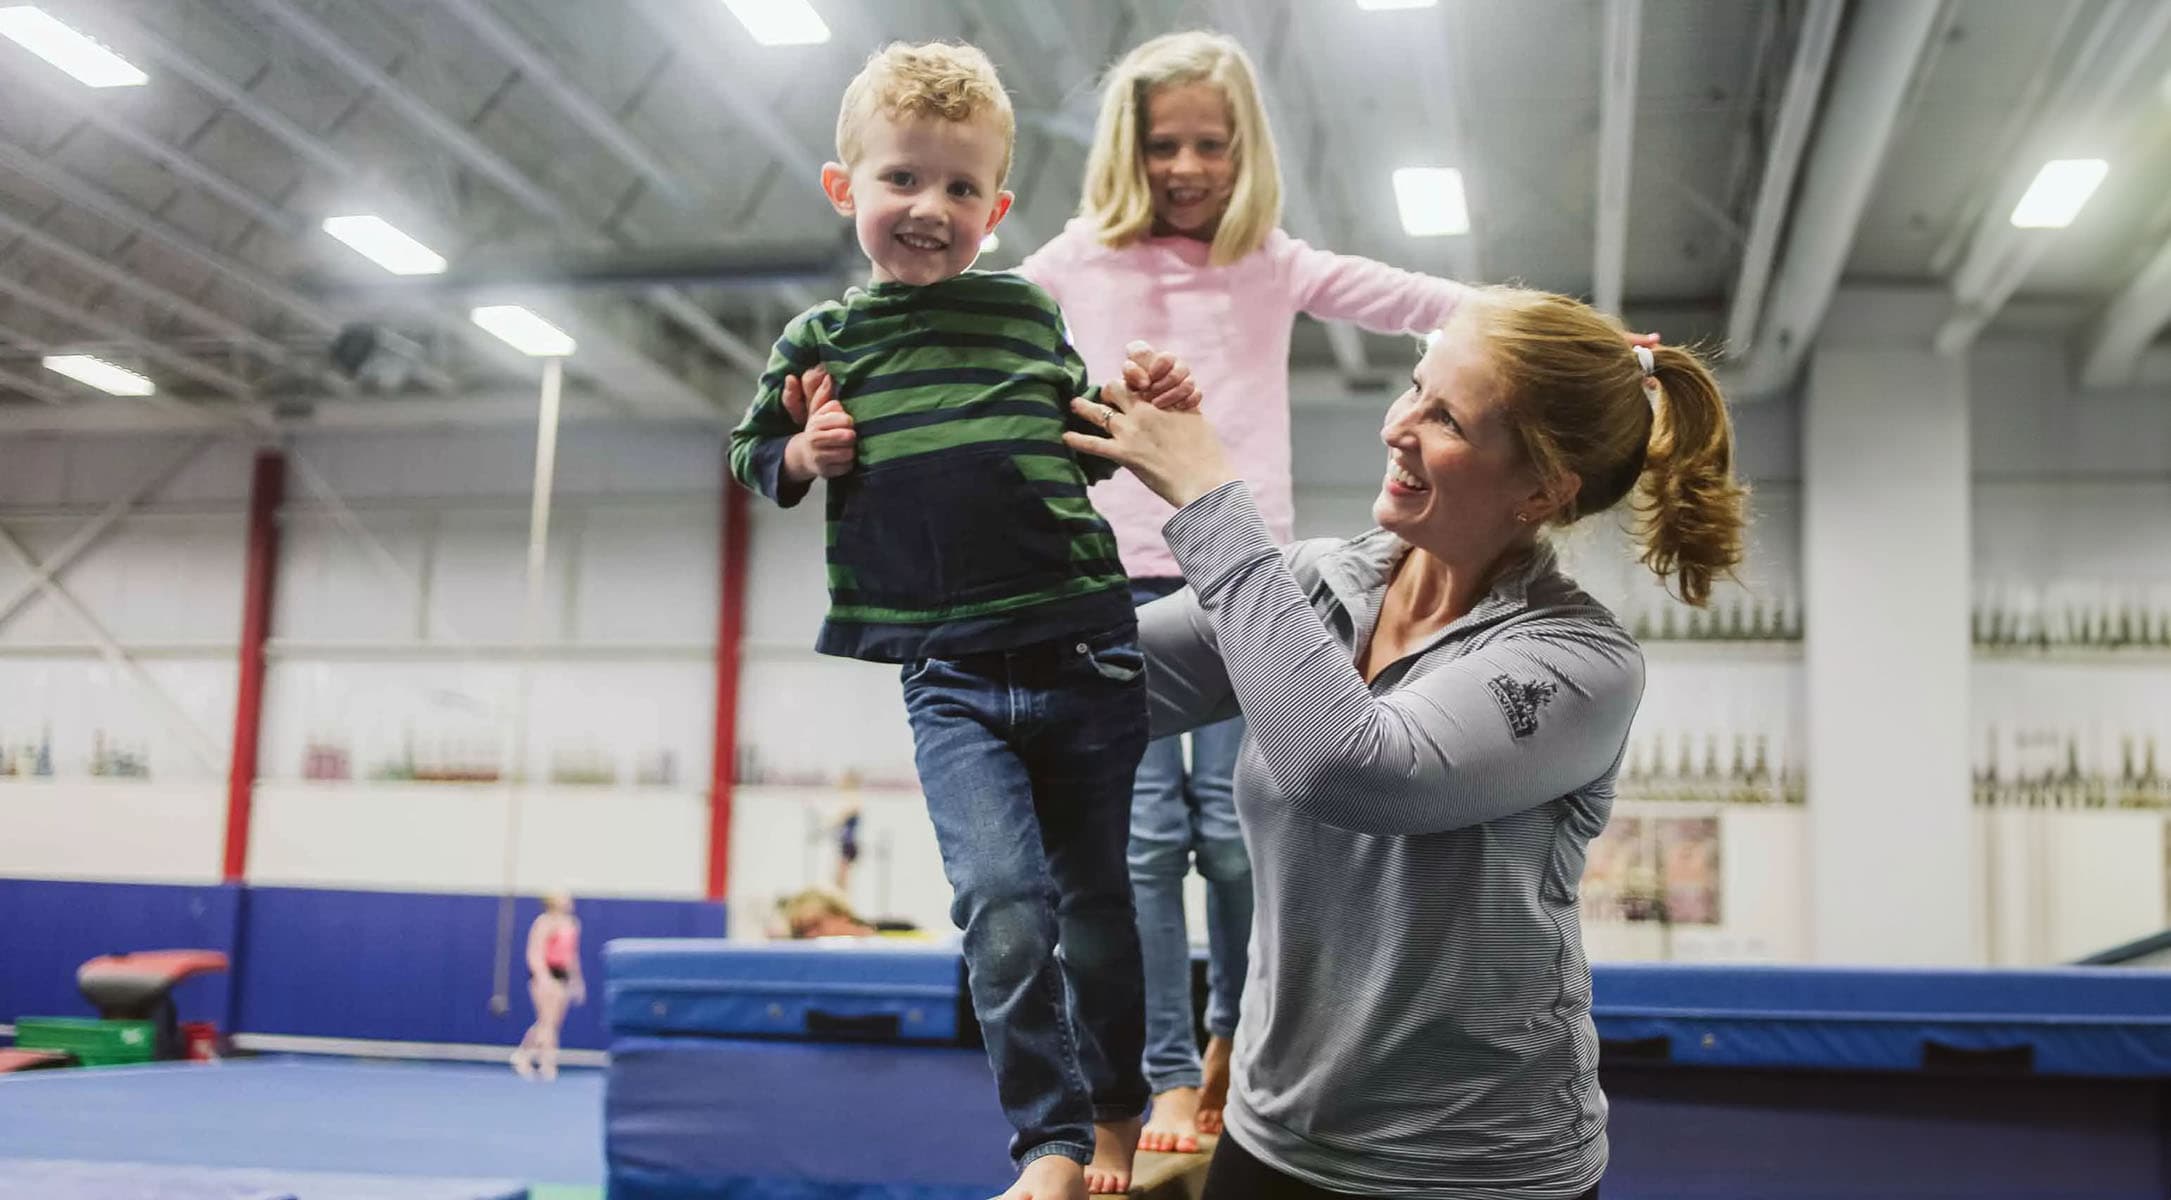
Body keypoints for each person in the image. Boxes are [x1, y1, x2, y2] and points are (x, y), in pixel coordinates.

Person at [1060, 286, 1747, 1198]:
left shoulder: (1579, 662)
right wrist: (1010, 475)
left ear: (1541, 489)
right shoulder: (1310, 587)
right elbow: (1077, 689)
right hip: (1273, 1139)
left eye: (1446, 417)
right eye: (1412, 388)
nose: (1399, 427)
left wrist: (1208, 501)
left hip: (1473, 1168)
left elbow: (1347, 768)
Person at [728, 41, 1202, 1200]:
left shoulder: (1023, 313)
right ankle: (1040, 1139)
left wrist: (1137, 414)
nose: (928, 210)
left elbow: (1074, 441)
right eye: (901, 181)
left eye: (957, 190)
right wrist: (800, 449)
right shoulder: (821, 346)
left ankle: (1110, 1120)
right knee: (999, 903)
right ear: (847, 190)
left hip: (1084, 644)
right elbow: (748, 457)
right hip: (946, 672)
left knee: (1098, 901)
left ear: (994, 207)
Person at [1015, 30, 1470, 1152]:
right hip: (1105, 578)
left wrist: (1570, 332)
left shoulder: (1267, 259)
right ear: (1128, 148)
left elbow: (1409, 297)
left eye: (1207, 145)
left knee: (1235, 830)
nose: (1184, 167)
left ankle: (1233, 1043)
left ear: (1241, 149)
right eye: (1161, 145)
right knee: (1141, 840)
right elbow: (972, 329)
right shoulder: (1075, 261)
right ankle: (1162, 1074)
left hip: (1240, 577)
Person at [511, 890, 583, 1081]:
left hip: (562, 975)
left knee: (552, 1023)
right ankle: (547, 1063)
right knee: (547, 1022)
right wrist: (543, 978)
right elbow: (534, 953)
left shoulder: (572, 924)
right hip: (545, 975)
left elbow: (572, 957)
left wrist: (577, 981)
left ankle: (523, 1055)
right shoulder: (543, 923)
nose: (567, 899)